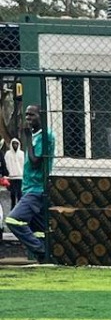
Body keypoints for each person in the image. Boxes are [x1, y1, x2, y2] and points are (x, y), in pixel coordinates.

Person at [6, 104, 55, 261]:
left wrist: (27, 138)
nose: (28, 118)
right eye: (26, 115)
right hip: (29, 187)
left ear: (41, 116)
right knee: (39, 230)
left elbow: (35, 161)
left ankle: (40, 251)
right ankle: (45, 259)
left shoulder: (45, 136)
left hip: (36, 188)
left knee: (13, 220)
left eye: (32, 115)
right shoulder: (36, 136)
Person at [4, 136, 24, 208]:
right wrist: (6, 175)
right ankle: (13, 207)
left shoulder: (21, 153)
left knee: (19, 193)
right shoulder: (8, 154)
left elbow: (23, 164)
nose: (15, 145)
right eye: (13, 144)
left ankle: (20, 207)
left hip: (20, 176)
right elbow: (6, 164)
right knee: (12, 193)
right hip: (11, 177)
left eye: (16, 144)